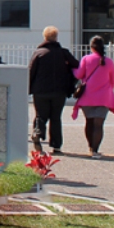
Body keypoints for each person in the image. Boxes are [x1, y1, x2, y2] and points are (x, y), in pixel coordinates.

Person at [28, 25, 80, 155]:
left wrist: (28, 88)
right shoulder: (64, 53)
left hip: (40, 90)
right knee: (56, 117)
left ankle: (37, 133)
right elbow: (77, 65)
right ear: (56, 37)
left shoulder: (38, 53)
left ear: (44, 37)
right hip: (59, 91)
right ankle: (56, 146)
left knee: (40, 115)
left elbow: (30, 72)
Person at [72, 36, 114, 159]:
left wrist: (72, 68)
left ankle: (90, 147)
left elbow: (78, 74)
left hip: (87, 97)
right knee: (98, 125)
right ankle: (95, 150)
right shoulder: (109, 62)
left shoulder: (86, 59)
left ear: (91, 47)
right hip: (104, 98)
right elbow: (113, 81)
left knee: (89, 122)